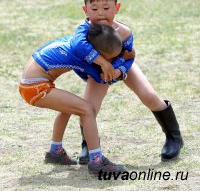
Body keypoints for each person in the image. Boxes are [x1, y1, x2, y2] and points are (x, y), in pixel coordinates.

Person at [75, 0, 183, 164]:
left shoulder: (124, 32)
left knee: (148, 95)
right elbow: (78, 48)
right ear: (85, 10)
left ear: (116, 8)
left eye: (106, 7)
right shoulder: (83, 31)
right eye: (94, 8)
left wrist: (118, 69)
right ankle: (88, 144)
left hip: (122, 67)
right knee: (89, 108)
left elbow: (128, 56)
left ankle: (174, 137)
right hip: (98, 73)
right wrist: (103, 66)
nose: (100, 13)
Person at [18, 23, 130, 175]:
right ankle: (97, 161)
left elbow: (83, 26)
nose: (111, 61)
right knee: (87, 109)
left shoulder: (81, 42)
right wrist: (124, 63)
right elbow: (105, 78)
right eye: (111, 58)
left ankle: (55, 152)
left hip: (29, 84)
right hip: (35, 86)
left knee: (69, 108)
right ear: (98, 54)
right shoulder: (84, 57)